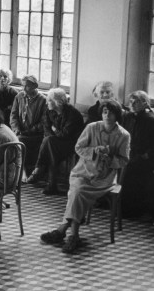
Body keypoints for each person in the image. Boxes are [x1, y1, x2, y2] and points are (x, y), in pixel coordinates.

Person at [40, 100, 130, 254]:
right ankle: (73, 235)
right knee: (78, 190)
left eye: (111, 113)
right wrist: (94, 151)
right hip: (82, 171)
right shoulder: (91, 127)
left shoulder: (123, 135)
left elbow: (124, 160)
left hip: (104, 177)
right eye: (105, 112)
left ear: (117, 116)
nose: (107, 115)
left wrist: (109, 159)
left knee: (77, 192)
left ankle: (64, 230)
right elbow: (78, 147)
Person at [26, 87, 84, 195]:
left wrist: (54, 130)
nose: (47, 103)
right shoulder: (49, 111)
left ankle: (39, 170)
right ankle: (51, 184)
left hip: (71, 144)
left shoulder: (73, 114)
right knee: (50, 144)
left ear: (58, 102)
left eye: (49, 100)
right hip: (55, 142)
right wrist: (54, 133)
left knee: (49, 142)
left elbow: (65, 135)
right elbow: (46, 128)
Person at [120, 90, 154, 218]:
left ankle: (136, 211)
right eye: (131, 101)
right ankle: (121, 207)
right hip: (129, 154)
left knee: (132, 170)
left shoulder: (151, 121)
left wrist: (145, 155)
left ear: (145, 103)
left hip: (145, 158)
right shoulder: (127, 117)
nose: (133, 104)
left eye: (137, 102)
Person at [10, 75, 46, 180]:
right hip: (20, 132)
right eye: (23, 86)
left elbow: (43, 122)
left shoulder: (42, 100)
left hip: (35, 134)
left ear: (35, 86)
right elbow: (13, 116)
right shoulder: (19, 96)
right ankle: (14, 171)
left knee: (19, 141)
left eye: (27, 86)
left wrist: (29, 131)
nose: (24, 89)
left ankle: (23, 171)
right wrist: (16, 129)